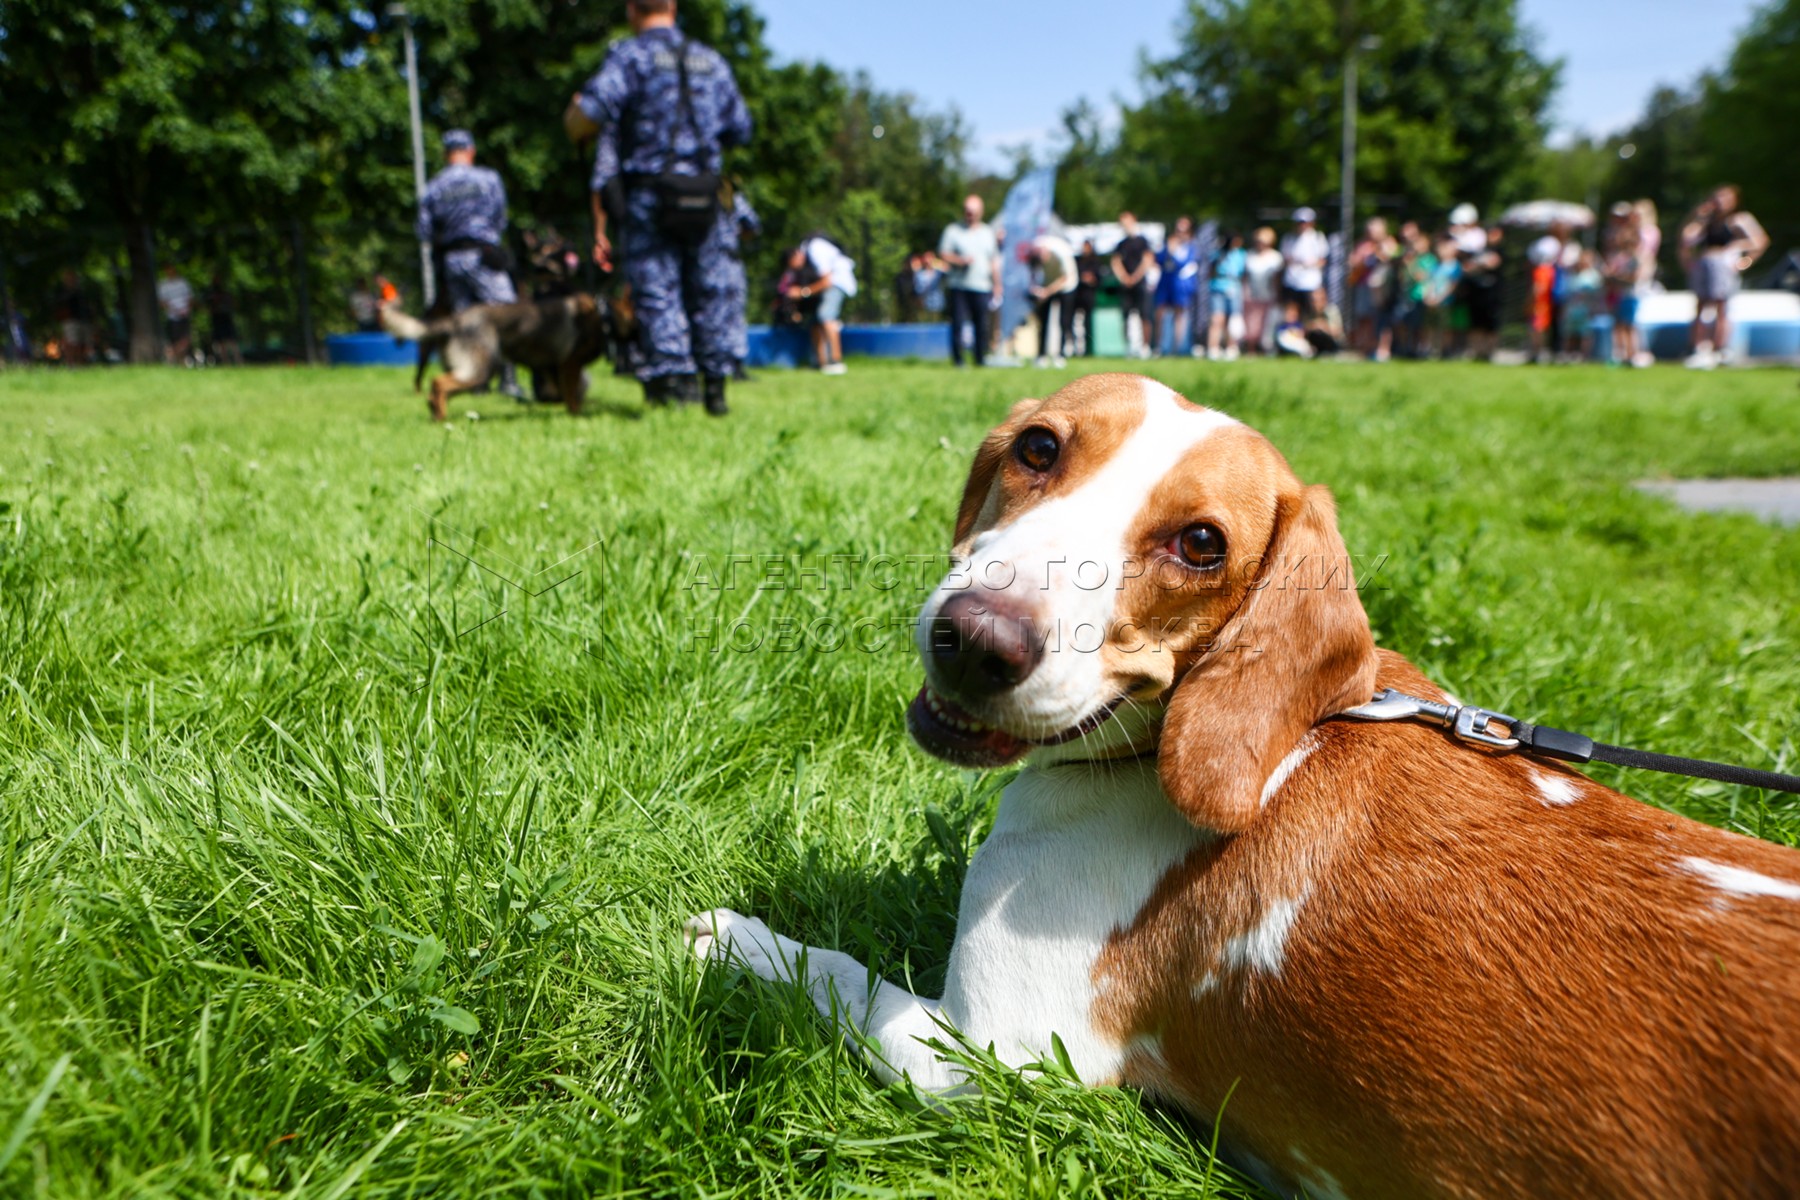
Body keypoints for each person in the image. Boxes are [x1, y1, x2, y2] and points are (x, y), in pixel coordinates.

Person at [565, 0, 752, 414]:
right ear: (674, 7)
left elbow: (589, 116)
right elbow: (741, 127)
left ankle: (674, 389)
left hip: (651, 195)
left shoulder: (630, 57)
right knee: (710, 290)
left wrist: (574, 115)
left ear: (633, 10)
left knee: (658, 291)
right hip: (706, 194)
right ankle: (716, 390)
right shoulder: (711, 60)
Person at [416, 128, 523, 398]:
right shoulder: (488, 179)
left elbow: (424, 231)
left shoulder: (434, 187)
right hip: (485, 255)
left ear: (446, 154)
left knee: (467, 323)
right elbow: (501, 218)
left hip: (452, 261)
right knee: (506, 316)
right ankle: (508, 380)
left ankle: (476, 381)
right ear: (471, 151)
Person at [1680, 184, 1769, 369]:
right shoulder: (1707, 221)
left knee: (1721, 306)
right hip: (1705, 263)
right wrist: (1700, 215)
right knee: (1701, 306)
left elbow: (1760, 241)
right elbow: (1687, 238)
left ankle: (1720, 349)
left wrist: (1745, 262)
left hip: (1723, 265)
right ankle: (1696, 348)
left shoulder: (1739, 220)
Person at [937, 194, 1002, 367]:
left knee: (982, 325)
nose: (970, 214)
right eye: (967, 211)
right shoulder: (953, 230)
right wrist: (960, 261)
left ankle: (980, 359)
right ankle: (958, 361)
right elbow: (943, 254)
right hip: (959, 286)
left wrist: (997, 284)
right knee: (958, 323)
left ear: (981, 212)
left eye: (973, 211)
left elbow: (994, 261)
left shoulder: (988, 232)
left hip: (982, 286)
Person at [796, 233, 856, 374]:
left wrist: (803, 292)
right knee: (814, 322)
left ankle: (836, 361)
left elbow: (826, 281)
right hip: (834, 283)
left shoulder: (814, 247)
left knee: (826, 315)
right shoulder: (813, 247)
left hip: (837, 283)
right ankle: (819, 363)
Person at [1027, 232, 1078, 368]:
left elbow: (1065, 278)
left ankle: (1060, 355)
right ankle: (1041, 355)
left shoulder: (1060, 254)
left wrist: (1047, 292)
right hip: (1047, 284)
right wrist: (1036, 290)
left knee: (1064, 321)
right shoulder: (1034, 255)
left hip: (1066, 285)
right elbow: (1032, 274)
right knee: (1043, 321)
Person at [1152, 216, 1200, 357]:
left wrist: (1172, 254)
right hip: (1166, 283)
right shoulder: (1168, 244)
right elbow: (1158, 260)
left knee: (1180, 315)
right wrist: (1168, 250)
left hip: (1181, 286)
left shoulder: (1191, 247)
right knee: (1160, 313)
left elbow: (1185, 265)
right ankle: (1160, 347)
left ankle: (1179, 348)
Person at [1110, 212, 1154, 358]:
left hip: (1140, 283)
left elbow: (1147, 259)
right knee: (1125, 316)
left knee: (1145, 315)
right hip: (1125, 285)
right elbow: (1115, 262)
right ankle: (1128, 347)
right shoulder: (1121, 244)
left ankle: (1145, 347)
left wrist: (1135, 277)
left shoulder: (1143, 241)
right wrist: (1124, 277)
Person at [1460, 225, 1505, 362]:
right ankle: (1477, 352)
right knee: (1475, 325)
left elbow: (1492, 263)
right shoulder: (1478, 250)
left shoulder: (1501, 251)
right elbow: (1466, 267)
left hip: (1492, 295)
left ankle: (1489, 353)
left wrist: (1477, 265)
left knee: (1491, 326)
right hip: (1476, 294)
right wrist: (1480, 264)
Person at [1279, 207, 1329, 325]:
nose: (1302, 225)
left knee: (1311, 312)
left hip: (1310, 283)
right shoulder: (1288, 238)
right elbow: (1285, 260)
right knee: (1292, 312)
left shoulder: (1318, 238)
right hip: (1292, 282)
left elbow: (1323, 260)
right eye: (1299, 222)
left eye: (1305, 222)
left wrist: (1309, 264)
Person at [1204, 230, 1247, 361]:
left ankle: (1231, 347)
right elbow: (1210, 271)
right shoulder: (1217, 254)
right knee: (1217, 319)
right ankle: (1213, 347)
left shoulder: (1241, 255)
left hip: (1234, 288)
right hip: (1218, 288)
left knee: (1233, 320)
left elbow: (1243, 274)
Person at [1242, 227, 1283, 355]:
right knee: (1251, 323)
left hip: (1269, 295)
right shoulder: (1250, 255)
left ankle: (1266, 351)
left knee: (1268, 325)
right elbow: (1245, 277)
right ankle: (1251, 350)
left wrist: (1277, 294)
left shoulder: (1276, 257)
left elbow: (1277, 279)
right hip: (1252, 295)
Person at [1562, 248, 1604, 362]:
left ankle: (1584, 356)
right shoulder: (1573, 274)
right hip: (1573, 309)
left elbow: (1597, 293)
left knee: (1585, 334)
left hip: (1587, 309)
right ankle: (1568, 355)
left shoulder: (1593, 275)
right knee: (1570, 333)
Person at [53, 269, 94, 367]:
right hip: (70, 321)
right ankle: (71, 364)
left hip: (83, 320)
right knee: (72, 343)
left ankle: (81, 364)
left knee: (82, 344)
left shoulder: (81, 292)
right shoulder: (63, 293)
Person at [156, 265, 194, 365]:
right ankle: (176, 359)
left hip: (184, 315)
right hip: (172, 317)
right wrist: (175, 310)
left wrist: (186, 310)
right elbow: (162, 302)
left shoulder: (182, 283)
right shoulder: (163, 285)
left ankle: (172, 356)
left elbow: (189, 298)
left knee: (185, 340)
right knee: (175, 340)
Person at [1072, 240, 1103, 356]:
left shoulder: (1095, 261)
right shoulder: (1078, 261)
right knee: (1076, 323)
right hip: (1078, 296)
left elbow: (1098, 278)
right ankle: (1076, 348)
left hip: (1089, 296)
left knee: (1088, 324)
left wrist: (1092, 279)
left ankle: (1089, 349)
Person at [206, 275, 241, 365]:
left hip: (225, 317)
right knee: (221, 341)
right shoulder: (211, 294)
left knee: (231, 340)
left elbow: (234, 303)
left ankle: (238, 360)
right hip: (217, 318)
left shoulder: (225, 293)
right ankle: (227, 362)